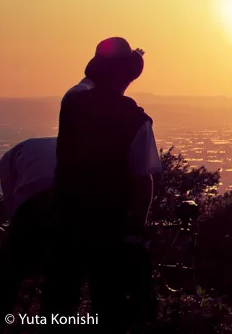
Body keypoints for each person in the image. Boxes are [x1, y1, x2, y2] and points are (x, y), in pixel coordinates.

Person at [44, 38, 162, 333]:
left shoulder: (72, 101)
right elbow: (142, 178)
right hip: (111, 227)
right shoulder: (135, 119)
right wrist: (138, 228)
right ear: (128, 76)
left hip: (65, 218)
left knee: (58, 303)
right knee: (109, 308)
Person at [0, 137, 57, 317]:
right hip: (66, 197)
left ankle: (3, 311)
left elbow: (13, 207)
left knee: (13, 270)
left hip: (37, 199)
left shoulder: (10, 159)